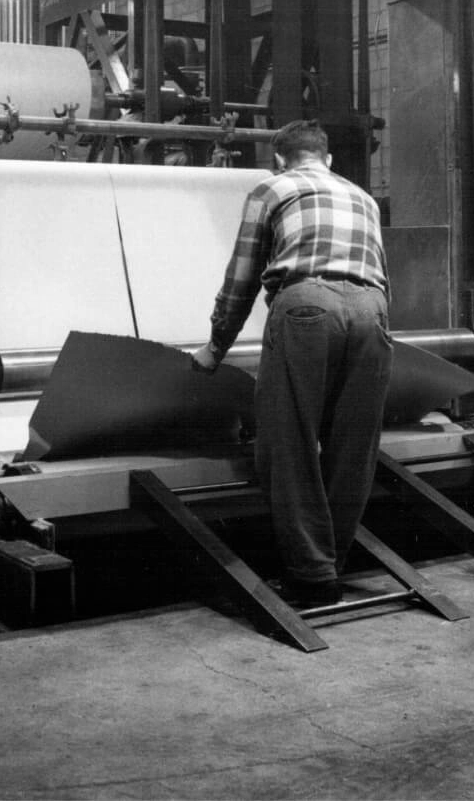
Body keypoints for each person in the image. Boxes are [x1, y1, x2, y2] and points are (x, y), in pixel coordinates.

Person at [192, 120, 391, 606]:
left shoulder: (271, 188)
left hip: (306, 307)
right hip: (374, 310)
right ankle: (329, 564)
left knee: (289, 441)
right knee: (354, 446)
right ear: (327, 159)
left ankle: (310, 574)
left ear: (280, 159)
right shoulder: (364, 197)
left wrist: (216, 347)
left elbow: (242, 274)